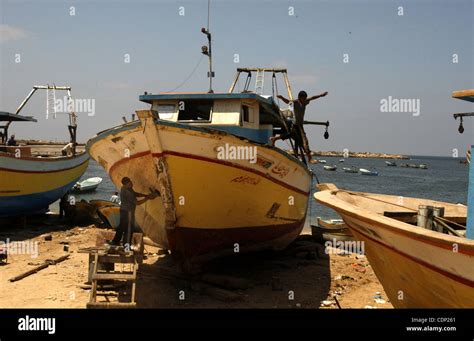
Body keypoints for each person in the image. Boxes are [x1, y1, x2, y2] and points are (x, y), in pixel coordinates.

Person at [271, 90, 328, 161]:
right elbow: (288, 101)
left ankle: (274, 139)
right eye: (303, 98)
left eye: (305, 98)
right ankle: (309, 158)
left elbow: (313, 97)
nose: (304, 100)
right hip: (296, 125)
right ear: (299, 97)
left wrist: (321, 95)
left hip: (300, 125)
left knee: (291, 135)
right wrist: (282, 97)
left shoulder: (305, 102)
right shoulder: (295, 102)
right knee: (304, 140)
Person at [109, 177, 159, 248]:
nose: (131, 184)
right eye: (129, 184)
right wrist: (147, 198)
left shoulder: (125, 188)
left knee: (121, 227)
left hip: (123, 210)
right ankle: (126, 245)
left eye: (131, 182)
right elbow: (137, 203)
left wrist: (145, 195)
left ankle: (115, 241)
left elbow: (134, 193)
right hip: (128, 212)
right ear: (125, 185)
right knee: (129, 229)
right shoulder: (128, 192)